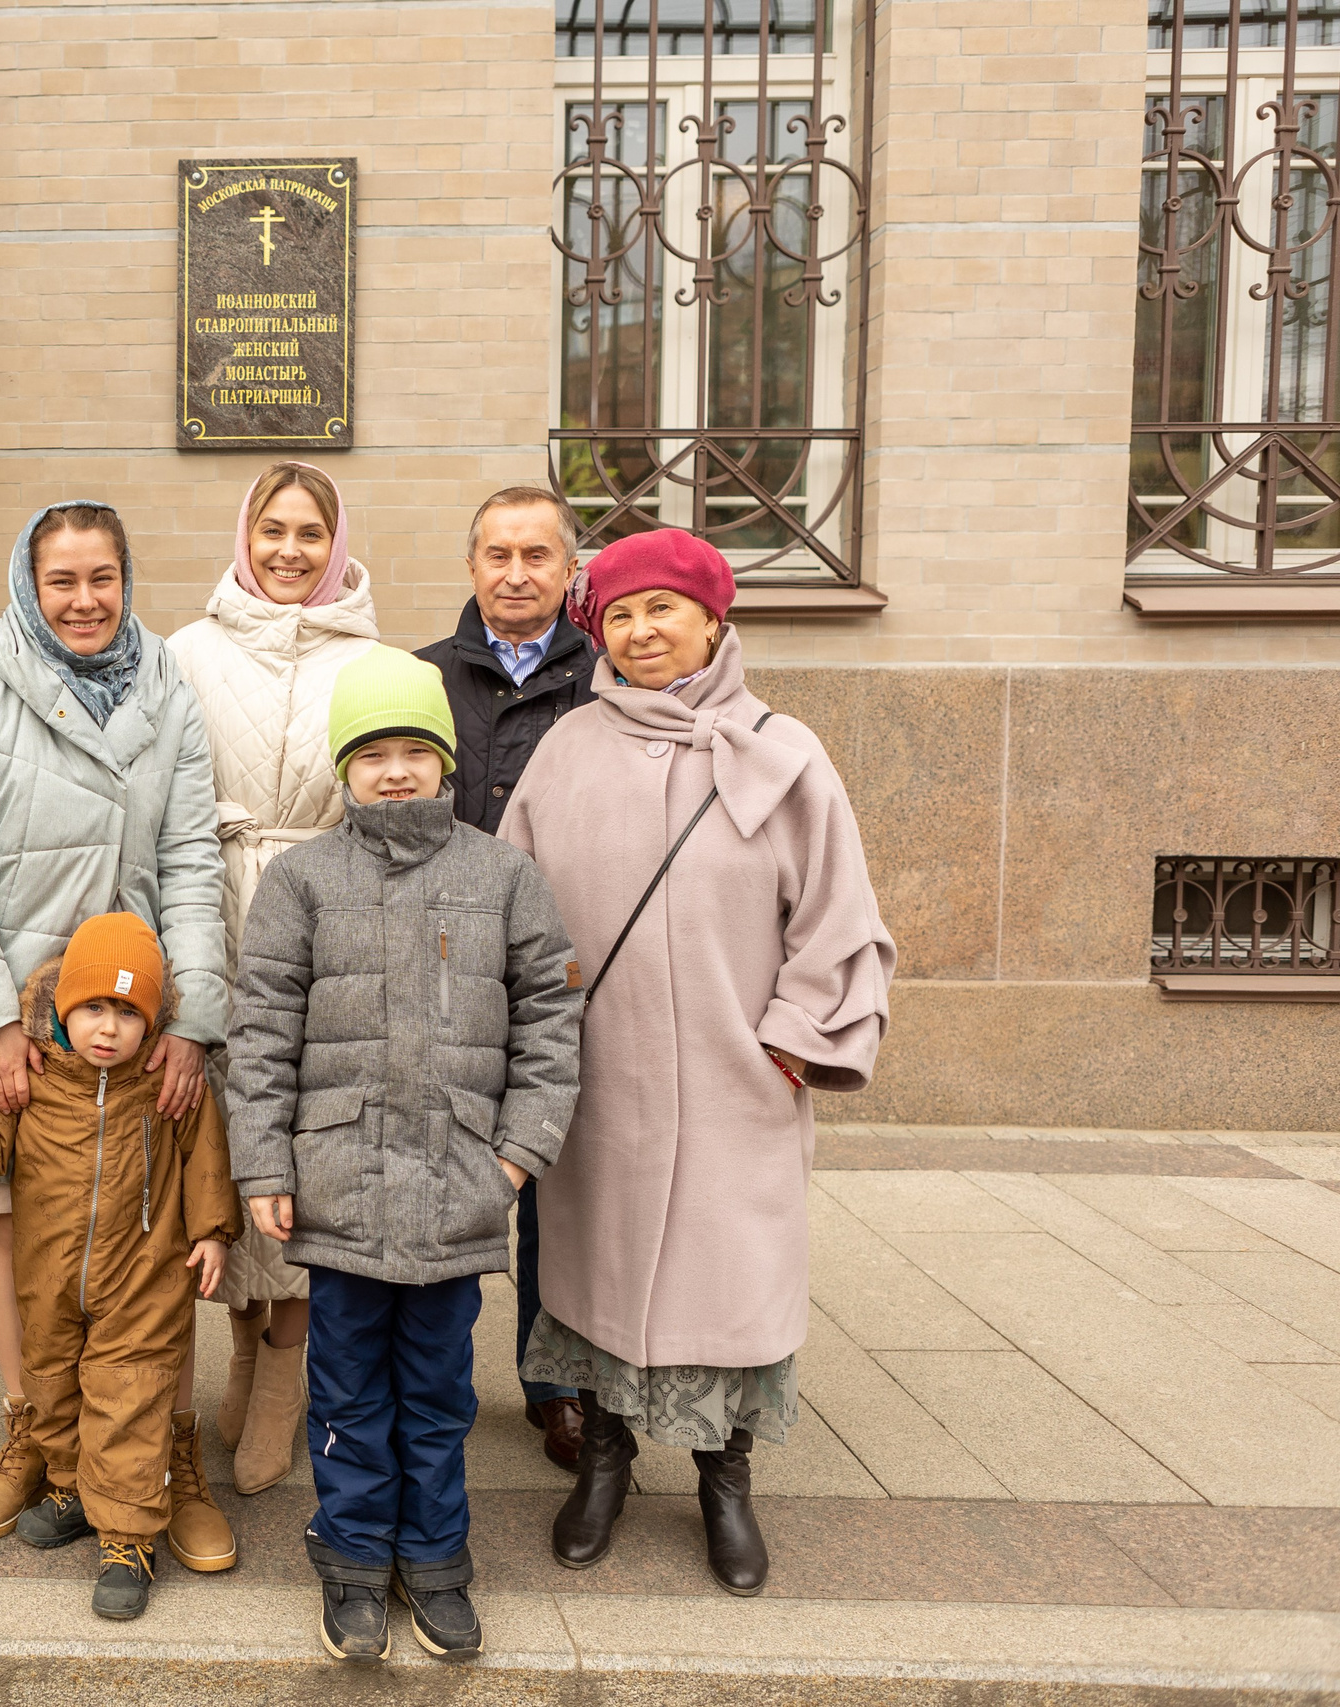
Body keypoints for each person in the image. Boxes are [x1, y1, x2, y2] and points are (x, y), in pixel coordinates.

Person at [500, 527, 895, 1597]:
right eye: (619, 616)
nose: (640, 633)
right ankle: (606, 1468)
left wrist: (793, 1038)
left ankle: (726, 1480)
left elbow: (834, 915)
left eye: (661, 610)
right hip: (603, 1080)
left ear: (714, 621)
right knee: (602, 1271)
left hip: (735, 1076)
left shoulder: (785, 751)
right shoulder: (566, 750)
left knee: (730, 1283)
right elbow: (519, 906)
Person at [225, 645, 582, 1664]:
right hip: (335, 1193)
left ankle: (433, 1555)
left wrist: (513, 1157)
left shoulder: (503, 876)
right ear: (344, 770)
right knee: (345, 1389)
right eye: (371, 753)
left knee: (435, 1391)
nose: (392, 772)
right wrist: (265, 1168)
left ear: (444, 765)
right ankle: (348, 1554)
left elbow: (550, 1025)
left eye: (412, 752)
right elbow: (261, 1039)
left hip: (457, 1192)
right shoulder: (300, 881)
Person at [0, 499, 235, 1572]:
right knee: (21, 1230)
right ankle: (35, 1440)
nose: (84, 601)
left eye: (102, 578)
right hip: (19, 1022)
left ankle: (167, 1452)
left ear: (126, 581)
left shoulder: (167, 689)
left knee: (149, 1238)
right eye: (63, 581)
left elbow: (191, 863)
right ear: (27, 585)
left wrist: (192, 1023)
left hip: (132, 1024)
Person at [0, 913, 243, 1621]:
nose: (109, 1028)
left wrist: (215, 1233)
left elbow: (207, 1156)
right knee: (53, 1385)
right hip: (50, 1274)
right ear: (65, 1007)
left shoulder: (165, 1081)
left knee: (128, 1391)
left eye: (129, 1012)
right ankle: (71, 1486)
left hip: (143, 1276)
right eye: (95, 1007)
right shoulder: (37, 1072)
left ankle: (127, 1537)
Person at [164, 460, 376, 1494]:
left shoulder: (368, 659)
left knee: (303, 1150)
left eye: (309, 534)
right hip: (211, 915)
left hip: (322, 924)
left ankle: (285, 1371)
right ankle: (241, 1346)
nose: (288, 552)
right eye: (271, 530)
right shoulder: (185, 652)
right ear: (242, 536)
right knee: (218, 1140)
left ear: (335, 546)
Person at [414, 486, 599, 1469]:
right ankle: (426, 1378)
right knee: (442, 1174)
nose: (516, 573)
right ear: (473, 565)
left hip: (558, 975)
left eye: (537, 555)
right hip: (440, 972)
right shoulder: (419, 677)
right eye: (498, 554)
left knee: (552, 1184)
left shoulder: (605, 687)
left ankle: (556, 1383)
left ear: (569, 570)